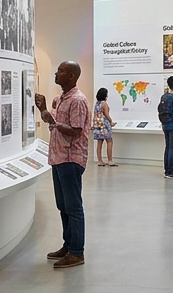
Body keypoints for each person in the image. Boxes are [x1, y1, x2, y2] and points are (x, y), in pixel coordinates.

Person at [37, 61, 90, 269]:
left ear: (72, 77)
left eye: (61, 71)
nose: (56, 74)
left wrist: (53, 121)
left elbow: (76, 130)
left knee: (73, 207)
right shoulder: (60, 99)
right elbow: (56, 125)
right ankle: (68, 245)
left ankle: (77, 252)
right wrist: (43, 109)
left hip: (71, 158)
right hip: (59, 158)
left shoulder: (77, 100)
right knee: (63, 205)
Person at [91, 88, 116, 166]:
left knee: (99, 142)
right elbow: (106, 114)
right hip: (105, 125)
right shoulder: (104, 103)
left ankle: (100, 160)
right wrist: (111, 121)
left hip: (98, 125)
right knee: (109, 141)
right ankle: (110, 160)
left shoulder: (97, 103)